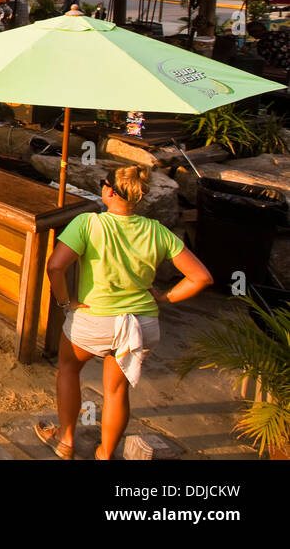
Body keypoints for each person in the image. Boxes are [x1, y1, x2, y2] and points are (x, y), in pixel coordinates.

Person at [37, 165, 212, 460]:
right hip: (141, 323)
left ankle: (65, 440)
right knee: (117, 391)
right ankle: (105, 453)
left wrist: (66, 301)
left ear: (108, 190)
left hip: (95, 318)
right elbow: (201, 277)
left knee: (68, 369)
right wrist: (165, 297)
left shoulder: (88, 223)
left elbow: (55, 266)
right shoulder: (157, 231)